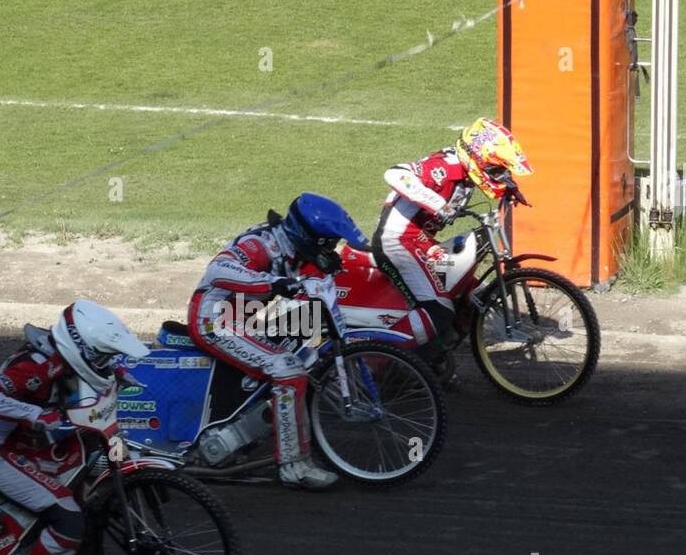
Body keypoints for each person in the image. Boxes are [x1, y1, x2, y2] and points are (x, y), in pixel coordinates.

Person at [0, 299, 148, 555]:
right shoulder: (35, 367)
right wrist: (35, 414)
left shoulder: (65, 355)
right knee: (68, 517)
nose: (103, 362)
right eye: (100, 356)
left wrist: (116, 371)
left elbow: (91, 373)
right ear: (80, 346)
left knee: (81, 486)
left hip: (28, 442)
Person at [188, 193, 368, 490]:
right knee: (287, 369)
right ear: (308, 235)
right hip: (214, 317)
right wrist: (272, 283)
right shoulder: (262, 245)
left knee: (308, 330)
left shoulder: (294, 245)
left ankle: (249, 426)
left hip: (245, 315)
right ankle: (293, 466)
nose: (331, 249)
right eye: (327, 244)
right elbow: (217, 271)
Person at [376, 117, 533, 343]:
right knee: (439, 312)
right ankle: (386, 356)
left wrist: (510, 188)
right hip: (397, 243)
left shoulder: (467, 172)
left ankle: (442, 354)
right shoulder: (444, 168)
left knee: (468, 296)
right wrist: (439, 204)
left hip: (420, 243)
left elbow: (495, 178)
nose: (498, 174)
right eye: (495, 169)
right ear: (476, 158)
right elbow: (394, 174)